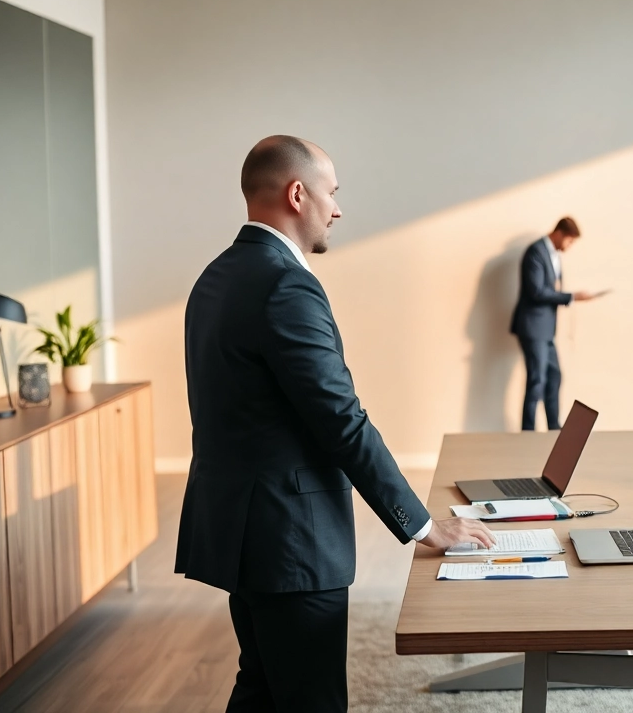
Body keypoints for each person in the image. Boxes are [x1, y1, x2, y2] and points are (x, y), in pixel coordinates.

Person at [176, 135, 495, 713]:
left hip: (240, 532)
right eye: (332, 193)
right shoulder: (286, 285)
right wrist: (424, 528)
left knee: (263, 688)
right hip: (289, 539)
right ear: (298, 194)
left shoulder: (214, 278)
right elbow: (342, 422)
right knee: (308, 699)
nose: (338, 209)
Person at [509, 217, 604, 431]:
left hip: (547, 330)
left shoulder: (554, 256)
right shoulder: (535, 252)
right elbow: (537, 291)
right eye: (570, 241)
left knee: (554, 376)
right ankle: (528, 433)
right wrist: (571, 297)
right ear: (560, 233)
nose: (569, 246)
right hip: (533, 327)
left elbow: (551, 288)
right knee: (537, 381)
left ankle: (554, 428)